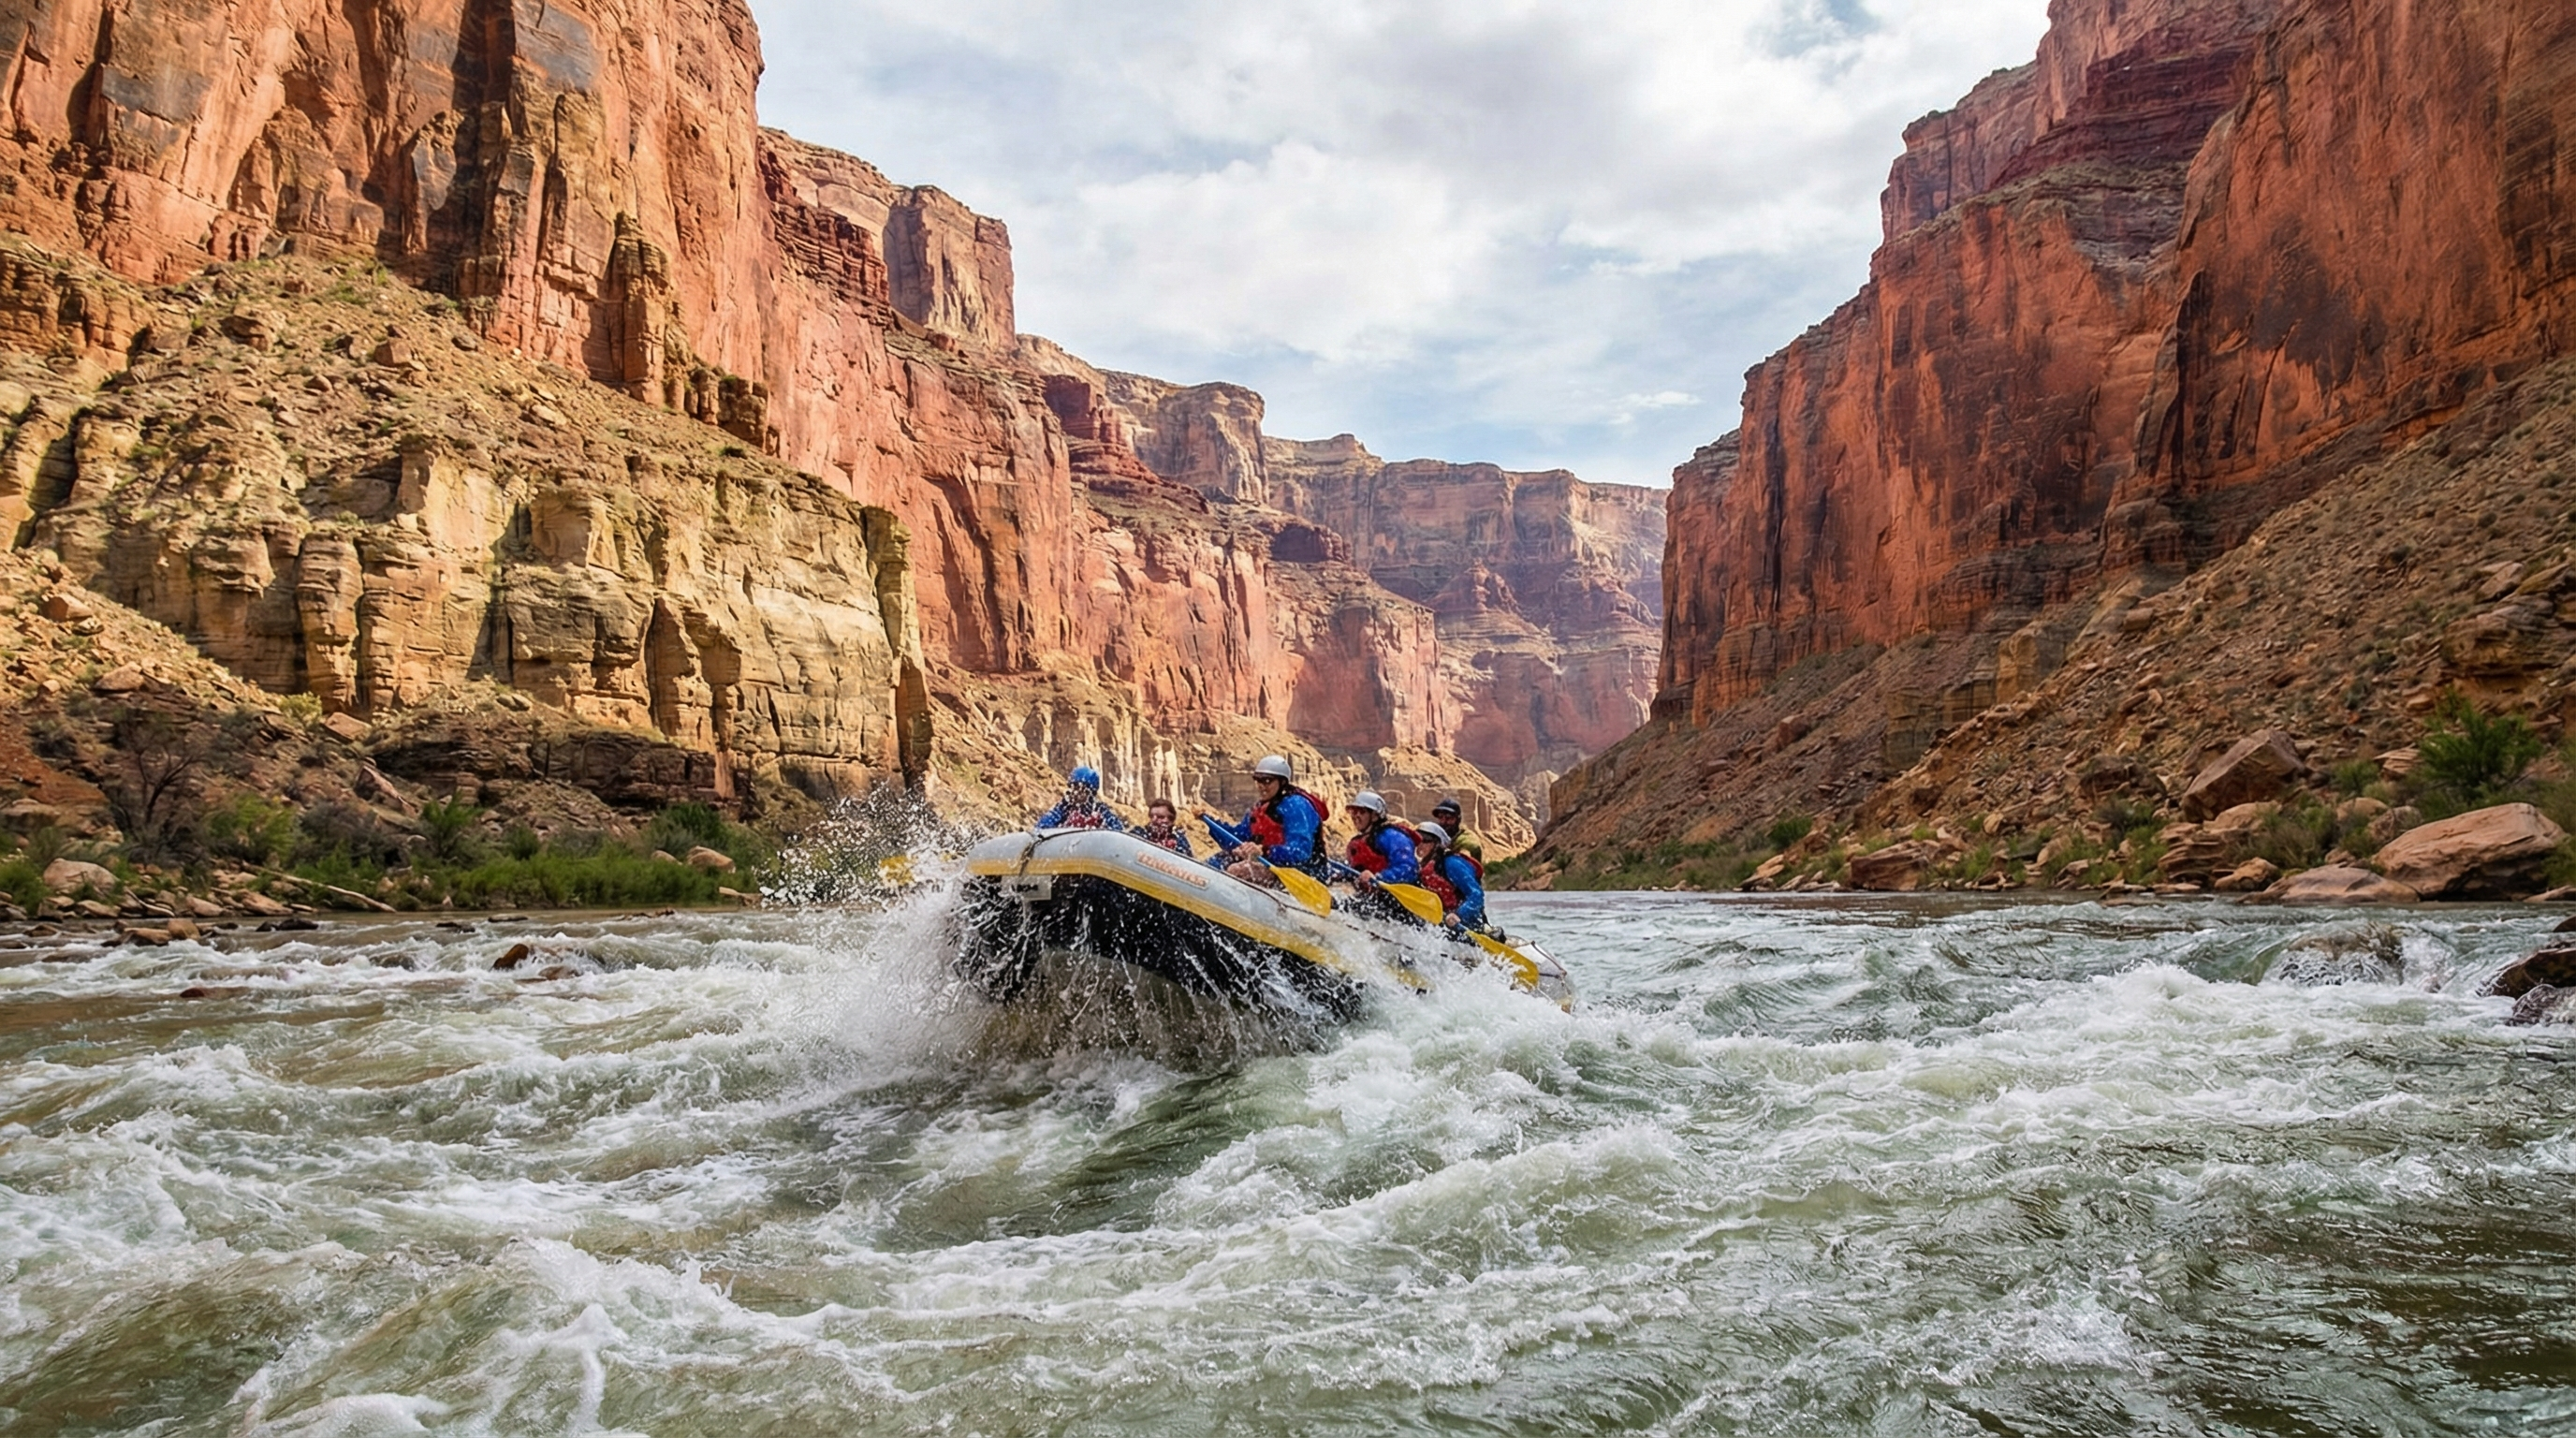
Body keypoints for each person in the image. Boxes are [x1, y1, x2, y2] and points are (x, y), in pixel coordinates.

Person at [1219, 755, 1326, 888]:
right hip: (1272, 866)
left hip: (1302, 875)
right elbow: (1236, 838)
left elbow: (1300, 852)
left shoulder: (1296, 806)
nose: (1261, 786)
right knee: (1220, 860)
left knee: (1236, 871)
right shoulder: (1260, 808)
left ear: (1282, 782)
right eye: (1258, 780)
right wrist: (1206, 819)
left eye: (1267, 781)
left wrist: (1265, 850)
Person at [1413, 822, 1490, 934]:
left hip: (1465, 925)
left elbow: (1476, 894)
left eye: (1425, 840)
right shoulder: (1420, 868)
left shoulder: (1452, 863)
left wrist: (1458, 914)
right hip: (1441, 923)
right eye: (1417, 840)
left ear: (1437, 844)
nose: (1420, 845)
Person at [1341, 791, 1420, 886]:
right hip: (1371, 892)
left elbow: (1408, 869)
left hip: (1394, 892)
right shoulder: (1357, 843)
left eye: (1361, 811)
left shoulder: (1392, 836)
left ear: (1375, 816)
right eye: (1353, 811)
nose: (1355, 816)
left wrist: (1379, 877)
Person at [1035, 767, 1126, 831]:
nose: (1075, 793)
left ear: (1090, 793)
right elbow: (1043, 826)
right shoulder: (1064, 807)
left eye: (1081, 789)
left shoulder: (1100, 810)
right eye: (1073, 788)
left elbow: (1118, 829)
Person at [1429, 799, 1484, 865]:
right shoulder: (1437, 837)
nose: (1443, 822)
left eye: (1448, 818)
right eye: (1440, 817)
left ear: (1458, 820)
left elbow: (1468, 851)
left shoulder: (1467, 840)